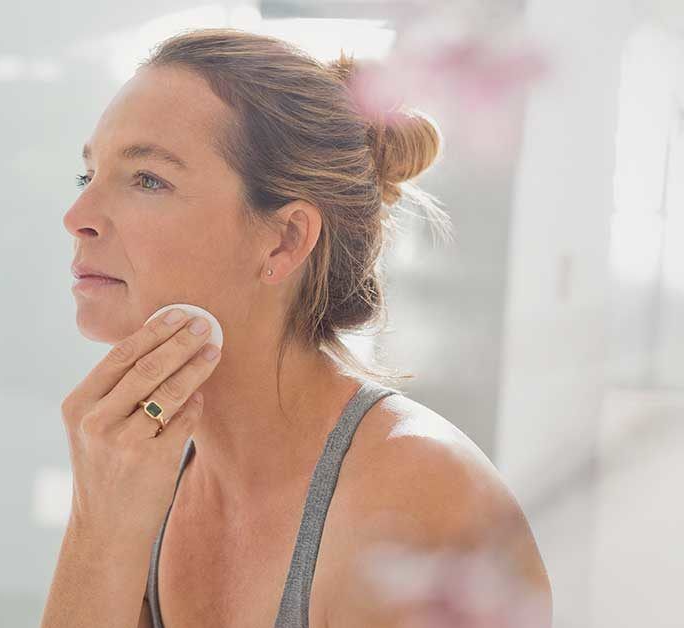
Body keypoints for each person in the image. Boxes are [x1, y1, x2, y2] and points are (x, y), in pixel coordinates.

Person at [42, 27, 552, 628]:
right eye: (88, 176)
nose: (77, 217)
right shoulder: (146, 475)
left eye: (148, 179)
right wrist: (98, 526)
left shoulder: (423, 504)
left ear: (284, 241)